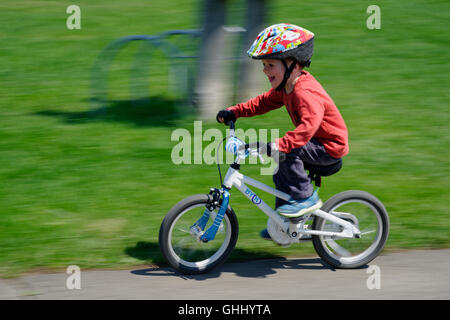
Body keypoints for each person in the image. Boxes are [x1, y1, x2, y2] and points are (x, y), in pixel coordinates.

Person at [216, 23, 349, 239]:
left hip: (329, 148)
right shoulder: (286, 87)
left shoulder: (304, 92)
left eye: (270, 64)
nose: (265, 70)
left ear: (292, 64)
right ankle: (285, 222)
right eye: (264, 65)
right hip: (315, 143)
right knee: (279, 164)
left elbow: (308, 127)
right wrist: (234, 112)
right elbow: (262, 103)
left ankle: (305, 200)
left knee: (285, 152)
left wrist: (280, 144)